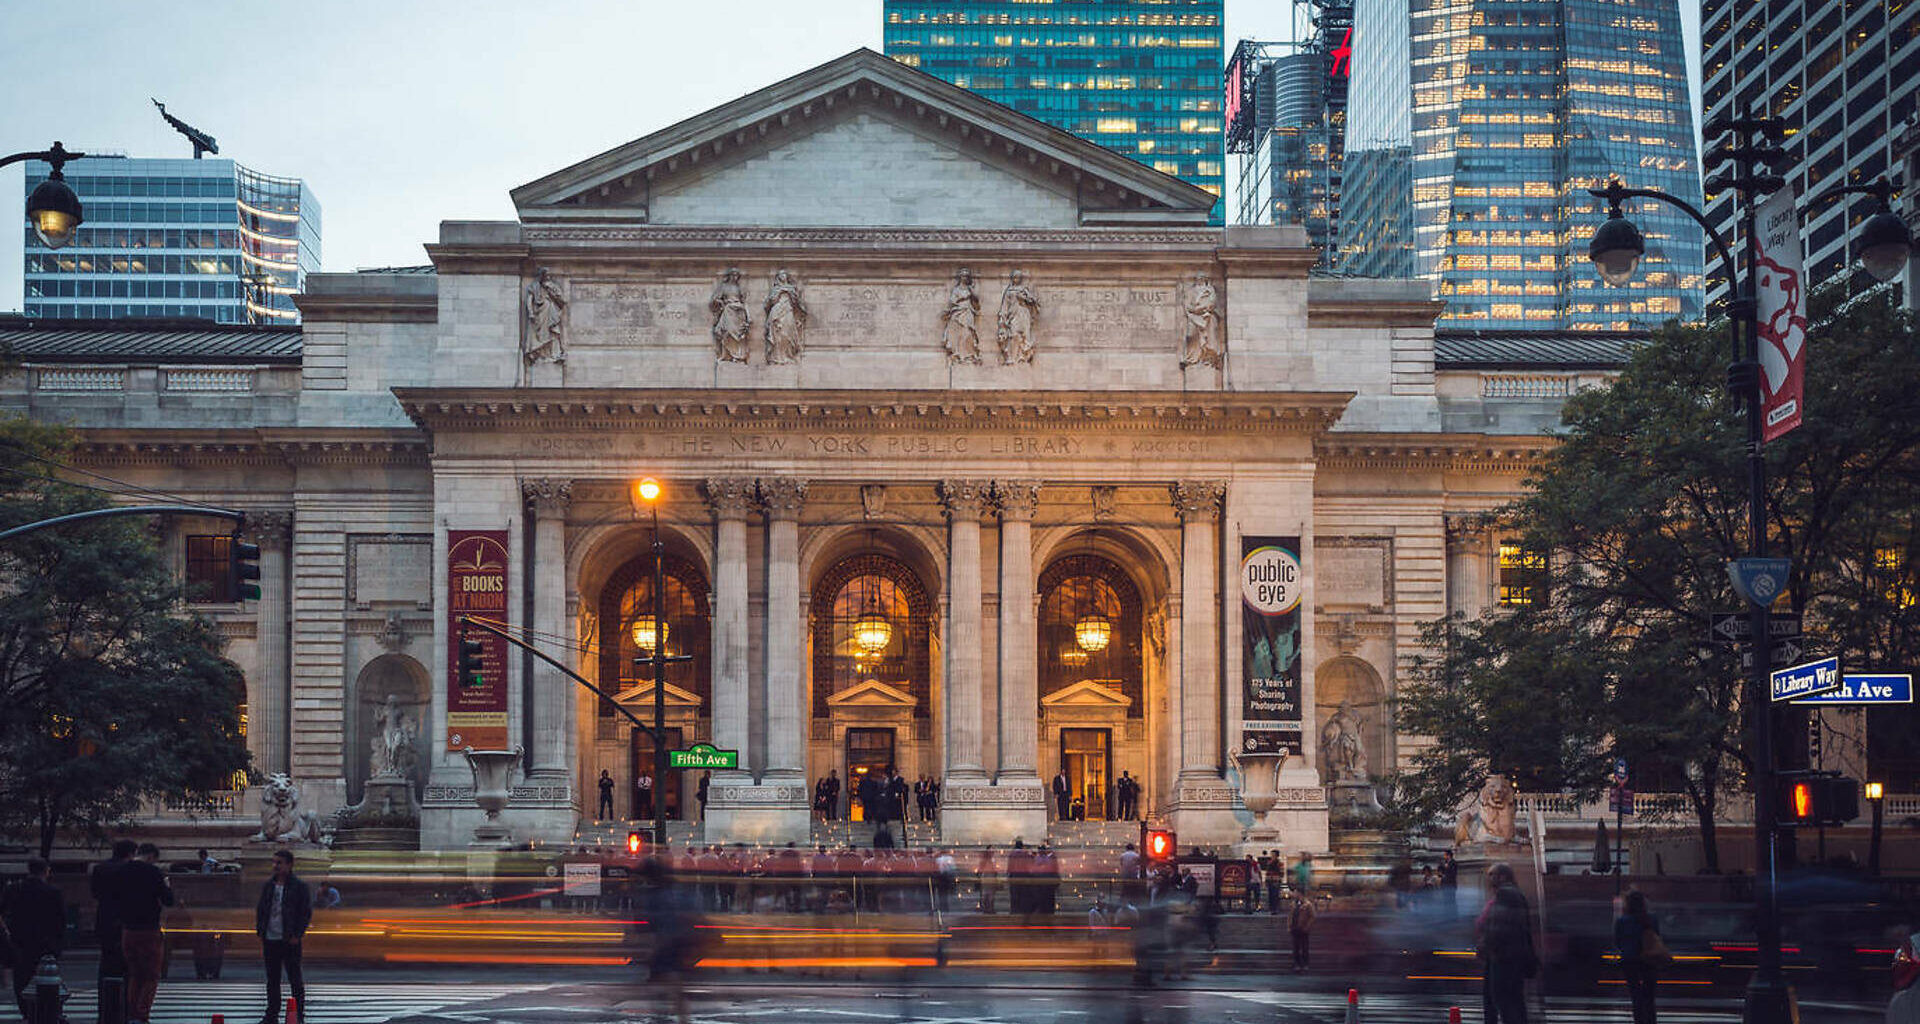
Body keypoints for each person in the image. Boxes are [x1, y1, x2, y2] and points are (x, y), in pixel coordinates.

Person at [254, 850, 312, 1024]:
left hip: (289, 939)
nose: (275, 866)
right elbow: (261, 909)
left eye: (279, 862)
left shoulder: (299, 886)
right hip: (270, 937)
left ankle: (299, 1015)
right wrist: (261, 930)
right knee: (272, 980)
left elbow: (305, 913)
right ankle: (272, 1014)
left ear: (289, 864)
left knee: (295, 979)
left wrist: (297, 934)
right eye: (274, 862)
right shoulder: (269, 885)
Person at [121, 843, 175, 1024]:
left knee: (135, 974)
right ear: (151, 856)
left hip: (128, 929)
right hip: (149, 929)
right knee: (151, 975)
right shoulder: (153, 872)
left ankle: (131, 1013)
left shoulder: (122, 870)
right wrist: (167, 886)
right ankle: (141, 1014)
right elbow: (168, 900)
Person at [1476, 863, 1536, 1024]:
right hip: (1509, 957)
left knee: (1505, 1001)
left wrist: (1485, 944)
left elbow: (1500, 925)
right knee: (1510, 1001)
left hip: (1504, 958)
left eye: (1492, 874)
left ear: (1503, 877)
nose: (1489, 878)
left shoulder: (1505, 894)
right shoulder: (1515, 893)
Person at [3, 857, 64, 1013]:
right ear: (46, 871)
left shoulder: (14, 889)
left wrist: (8, 931)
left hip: (20, 940)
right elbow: (60, 921)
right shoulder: (53, 892)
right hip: (46, 941)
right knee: (46, 978)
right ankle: (45, 1010)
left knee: (21, 978)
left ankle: (25, 1010)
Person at [92, 838, 137, 987]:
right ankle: (123, 995)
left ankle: (105, 993)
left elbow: (95, 893)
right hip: (125, 920)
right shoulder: (130, 869)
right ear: (130, 853)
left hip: (104, 917)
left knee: (106, 959)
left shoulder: (99, 868)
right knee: (125, 962)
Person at [1614, 889, 1662, 1024]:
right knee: (1649, 995)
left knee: (1635, 994)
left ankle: (1639, 1019)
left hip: (1629, 960)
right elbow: (1657, 936)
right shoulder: (1651, 919)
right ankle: (1650, 1019)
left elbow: (1618, 941)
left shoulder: (1622, 921)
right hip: (1648, 959)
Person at [1289, 894, 1317, 971]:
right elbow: (1290, 915)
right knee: (1296, 948)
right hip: (1295, 928)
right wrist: (1289, 926)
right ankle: (1297, 964)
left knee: (1304, 947)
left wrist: (1307, 926)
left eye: (1296, 893)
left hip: (1303, 929)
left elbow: (1313, 916)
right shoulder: (1293, 904)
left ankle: (1305, 964)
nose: (1295, 895)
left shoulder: (1308, 905)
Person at [975, 848, 1000, 913]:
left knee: (985, 894)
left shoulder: (983, 861)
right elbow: (995, 870)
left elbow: (979, 870)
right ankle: (990, 908)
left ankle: (986, 908)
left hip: (985, 879)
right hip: (990, 878)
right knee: (990, 894)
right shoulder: (991, 861)